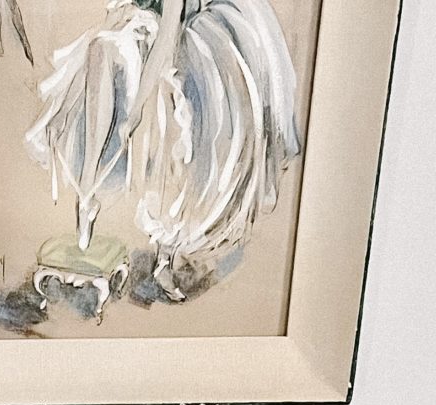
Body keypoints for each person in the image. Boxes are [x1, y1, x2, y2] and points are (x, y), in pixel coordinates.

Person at [25, 0, 301, 300]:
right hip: (149, 29)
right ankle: (87, 193)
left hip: (185, 40)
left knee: (172, 121)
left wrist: (138, 109)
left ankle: (165, 255)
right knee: (99, 50)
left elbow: (168, 40)